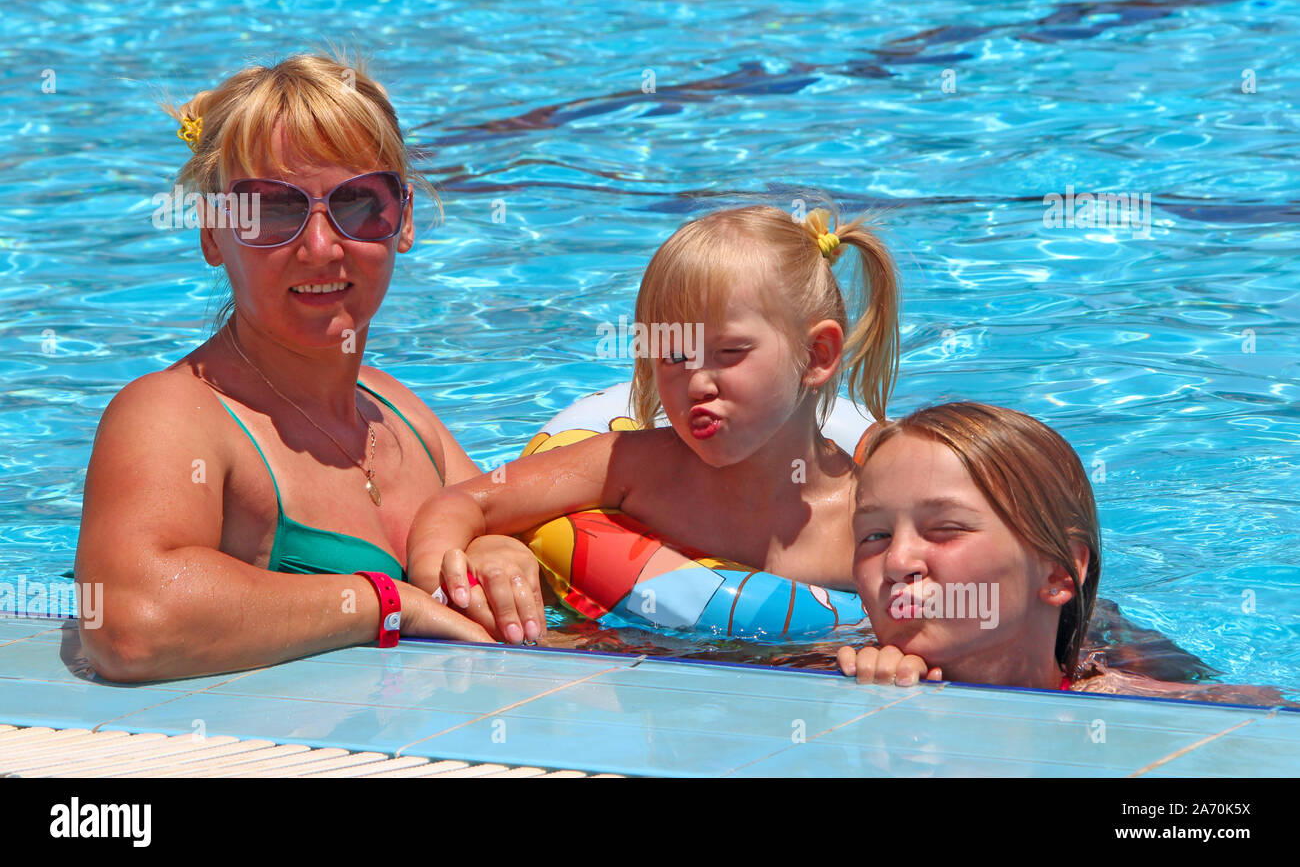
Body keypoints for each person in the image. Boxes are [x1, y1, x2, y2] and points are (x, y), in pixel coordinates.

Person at [75, 53, 544, 683]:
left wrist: (497, 551)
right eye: (270, 209)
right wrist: (382, 602)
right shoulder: (174, 415)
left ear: (402, 220)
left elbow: (489, 516)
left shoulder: (399, 412)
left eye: (357, 204)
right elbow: (131, 625)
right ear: (214, 235)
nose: (321, 247)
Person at [407, 204, 900, 605]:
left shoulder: (864, 522)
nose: (697, 383)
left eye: (729, 353)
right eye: (673, 355)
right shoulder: (635, 467)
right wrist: (446, 583)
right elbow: (464, 502)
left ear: (817, 356)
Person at [838, 402, 1290, 705]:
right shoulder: (820, 673)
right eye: (874, 536)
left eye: (945, 529)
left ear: (1058, 574)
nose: (897, 562)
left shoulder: (1150, 705)